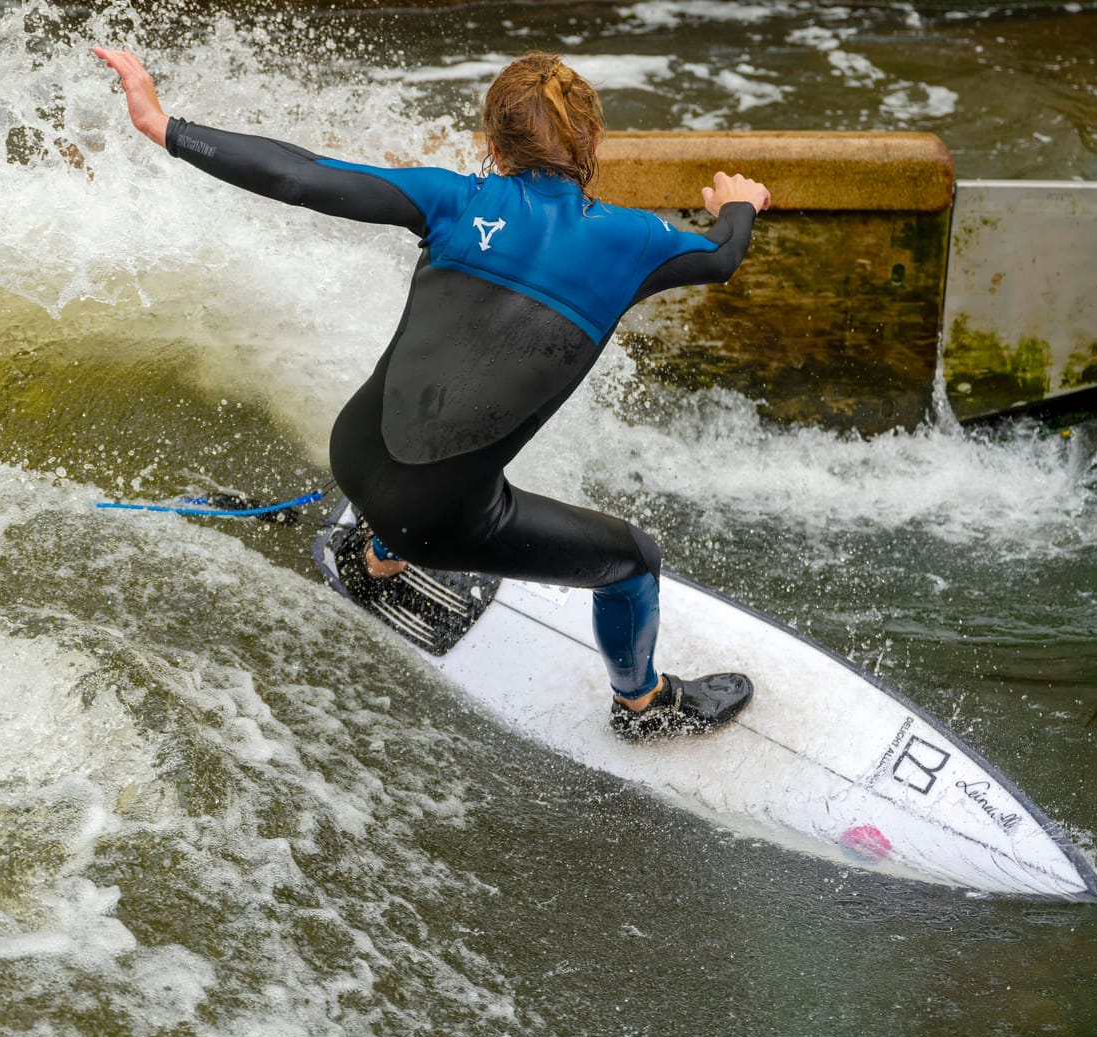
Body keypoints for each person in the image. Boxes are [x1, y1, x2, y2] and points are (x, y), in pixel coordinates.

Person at [94, 47, 772, 741]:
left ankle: (375, 554)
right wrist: (740, 207)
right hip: (444, 522)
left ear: (492, 145)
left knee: (445, 435)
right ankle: (643, 705)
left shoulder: (451, 199)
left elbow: (299, 174)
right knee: (634, 560)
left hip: (353, 457)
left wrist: (163, 123)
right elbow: (720, 256)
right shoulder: (639, 241)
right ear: (592, 142)